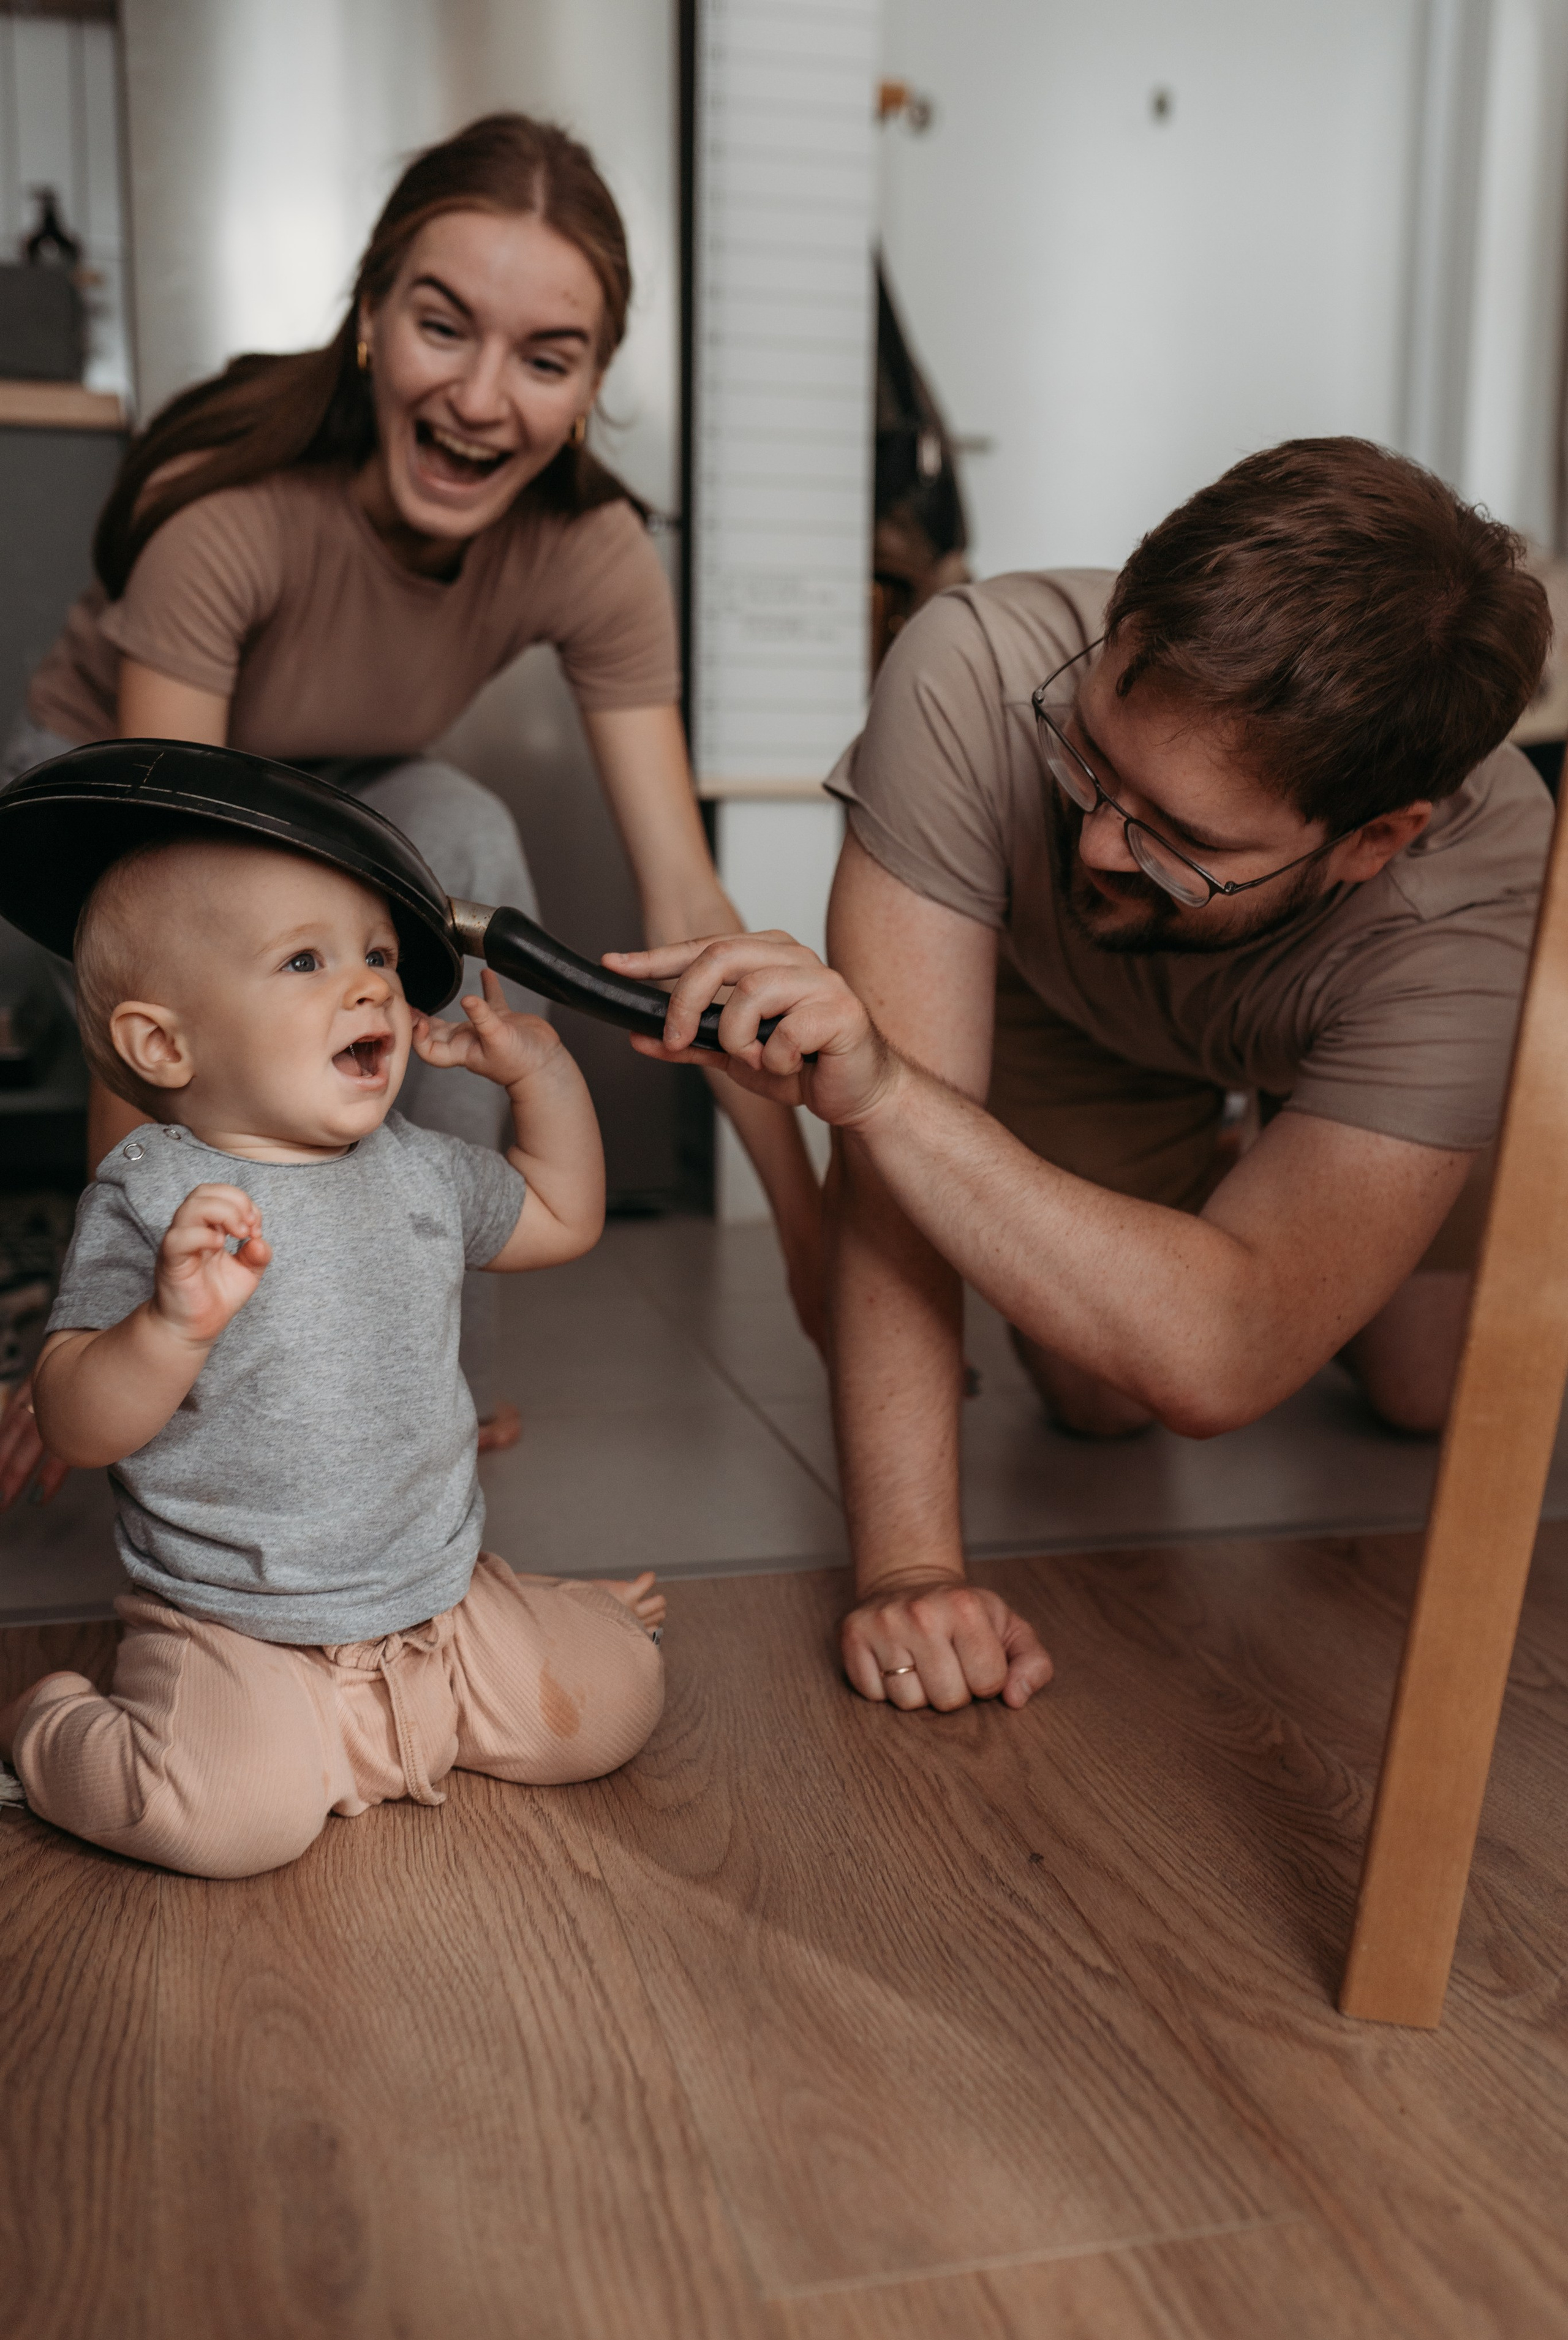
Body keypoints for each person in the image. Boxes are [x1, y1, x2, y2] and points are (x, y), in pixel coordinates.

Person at [606, 439, 1555, 1715]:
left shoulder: (1486, 910)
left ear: (1370, 844)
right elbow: (893, 1161)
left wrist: (898, 1098)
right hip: (1078, 1019)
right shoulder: (972, 673)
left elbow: (1222, 1358)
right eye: (1091, 759)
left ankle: (1275, 1186)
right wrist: (907, 1567)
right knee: (1100, 1395)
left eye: (1183, 838)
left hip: (1364, 1034)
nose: (1097, 845)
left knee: (1422, 1386)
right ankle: (1233, 1195)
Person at [0, 110, 821, 1502]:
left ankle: (426, 1368)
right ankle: (199, 1340)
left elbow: (689, 913)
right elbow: (156, 915)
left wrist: (810, 1251)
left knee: (466, 845)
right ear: (372, 316)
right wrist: (107, 1339)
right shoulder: (233, 513)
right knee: (228, 961)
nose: (485, 399)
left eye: (545, 359)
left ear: (591, 384)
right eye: (445, 326)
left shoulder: (590, 549)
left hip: (339, 783)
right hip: (116, 790)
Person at [0, 826, 664, 1877]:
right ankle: (54, 1730)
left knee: (613, 1707)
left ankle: (533, 1625)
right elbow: (77, 1420)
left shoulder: (421, 1171)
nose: (368, 988)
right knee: (224, 1825)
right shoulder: (154, 1198)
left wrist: (543, 1081)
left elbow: (561, 1214)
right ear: (164, 1046)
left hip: (435, 1601)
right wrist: (168, 1329)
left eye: (380, 958)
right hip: (237, 1626)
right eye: (306, 961)